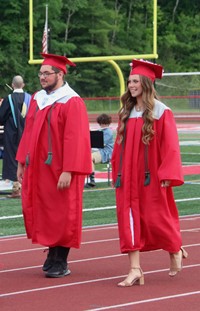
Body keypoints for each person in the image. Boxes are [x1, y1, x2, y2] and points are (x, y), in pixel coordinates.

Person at [111, 59, 188, 287]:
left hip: (151, 175)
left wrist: (167, 174)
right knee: (128, 220)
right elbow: (119, 145)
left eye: (135, 81)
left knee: (156, 217)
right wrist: (117, 171)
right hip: (128, 177)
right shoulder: (126, 111)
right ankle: (135, 269)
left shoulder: (162, 111)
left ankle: (175, 248)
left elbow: (171, 146)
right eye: (129, 81)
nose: (131, 85)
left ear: (146, 82)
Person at [16, 53, 92, 278]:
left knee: (64, 212)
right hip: (39, 168)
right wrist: (22, 161)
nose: (42, 77)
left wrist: (69, 169)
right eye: (40, 73)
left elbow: (76, 138)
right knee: (45, 210)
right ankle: (52, 254)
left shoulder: (72, 101)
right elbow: (28, 131)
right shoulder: (38, 99)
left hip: (61, 169)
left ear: (60, 74)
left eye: (47, 73)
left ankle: (61, 259)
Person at [0, 76, 31, 198]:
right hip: (27, 132)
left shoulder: (8, 99)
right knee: (26, 155)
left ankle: (16, 185)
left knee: (13, 156)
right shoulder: (30, 98)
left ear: (13, 85)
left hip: (11, 133)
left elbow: (1, 117)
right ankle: (26, 183)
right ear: (23, 84)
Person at [86, 113, 114, 187]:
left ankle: (92, 181)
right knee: (86, 156)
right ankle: (90, 179)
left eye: (104, 123)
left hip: (106, 153)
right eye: (101, 123)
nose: (102, 125)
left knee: (89, 158)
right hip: (100, 151)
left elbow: (101, 144)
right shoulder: (101, 130)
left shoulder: (108, 132)